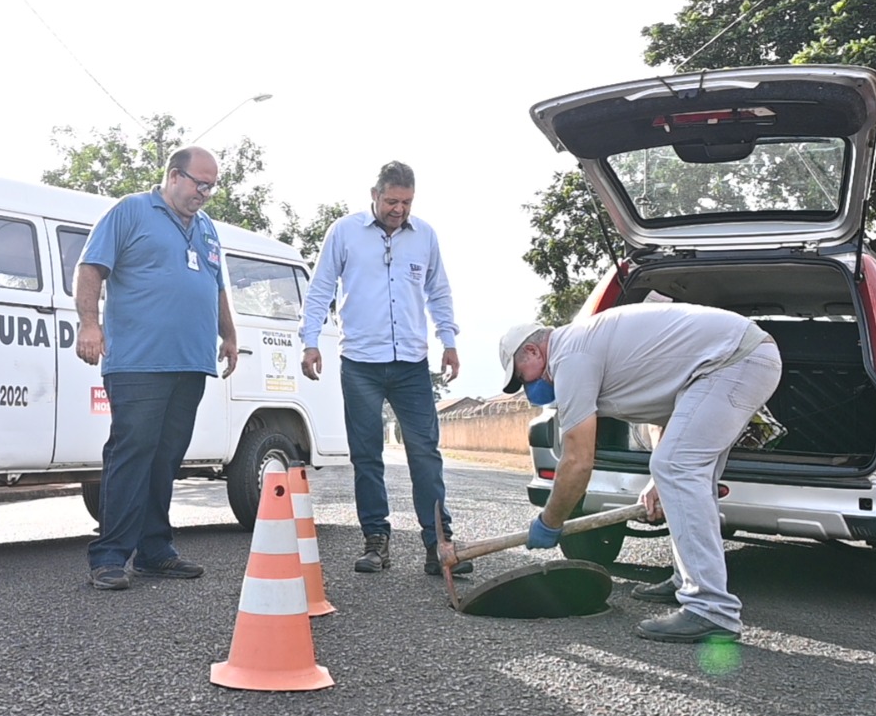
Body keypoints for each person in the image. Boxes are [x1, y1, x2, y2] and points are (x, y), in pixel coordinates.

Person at [499, 303, 782, 642]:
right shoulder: (585, 348)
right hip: (731, 361)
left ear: (532, 350)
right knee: (683, 475)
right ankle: (688, 580)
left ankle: (711, 609)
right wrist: (657, 482)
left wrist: (551, 521)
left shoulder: (569, 356)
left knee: (676, 468)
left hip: (734, 360)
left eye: (521, 375)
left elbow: (577, 460)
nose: (525, 387)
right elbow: (670, 413)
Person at [75, 146, 239, 591]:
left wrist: (229, 335)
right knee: (132, 453)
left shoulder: (205, 229)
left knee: (166, 457)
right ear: (173, 175)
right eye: (198, 183)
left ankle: (154, 551)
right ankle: (109, 555)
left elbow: (215, 284)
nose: (205, 193)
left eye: (212, 186)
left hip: (191, 361)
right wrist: (89, 324)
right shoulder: (130, 211)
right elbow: (91, 268)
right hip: (139, 361)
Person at [300, 160, 472, 577]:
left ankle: (438, 544)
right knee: (367, 456)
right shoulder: (344, 232)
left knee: (426, 454)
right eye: (392, 201)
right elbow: (321, 286)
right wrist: (309, 342)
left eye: (407, 202)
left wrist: (448, 341)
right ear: (374, 195)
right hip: (360, 362)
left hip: (412, 363)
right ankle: (376, 541)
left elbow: (439, 290)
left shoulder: (425, 235)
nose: (399, 209)